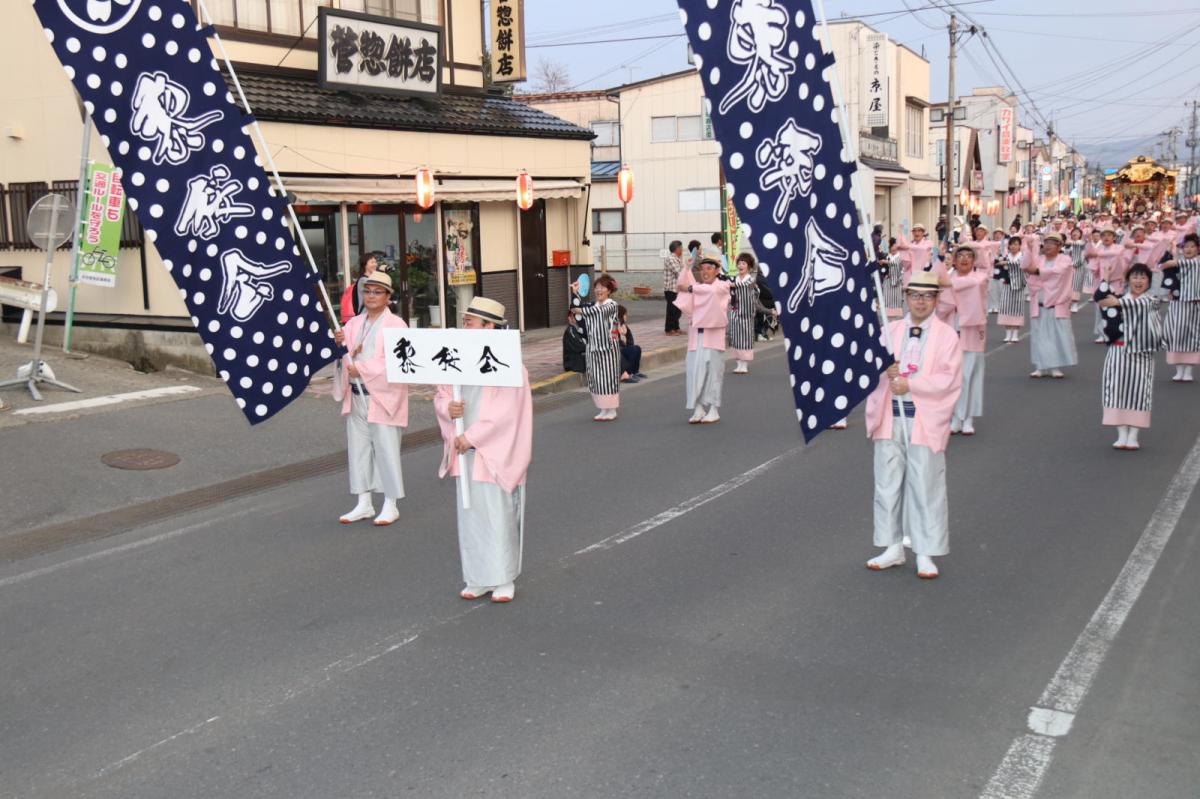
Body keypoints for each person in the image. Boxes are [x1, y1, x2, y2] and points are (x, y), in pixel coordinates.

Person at [864, 271, 963, 580]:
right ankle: (892, 546)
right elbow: (868, 368)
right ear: (906, 297)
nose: (921, 302)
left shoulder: (947, 336)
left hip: (923, 419)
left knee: (925, 484)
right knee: (887, 484)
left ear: (936, 299)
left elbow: (949, 380)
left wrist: (913, 385)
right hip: (889, 417)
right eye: (916, 295)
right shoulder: (890, 330)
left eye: (928, 296)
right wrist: (883, 369)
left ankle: (925, 551)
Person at [434, 297, 533, 603]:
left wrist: (472, 436)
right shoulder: (457, 356)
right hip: (464, 450)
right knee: (470, 516)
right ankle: (476, 576)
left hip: (494, 453)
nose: (464, 326)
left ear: (489, 326)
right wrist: (447, 409)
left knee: (498, 515)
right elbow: (442, 393)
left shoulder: (510, 364)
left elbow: (507, 413)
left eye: (470, 322)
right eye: (464, 321)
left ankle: (503, 577)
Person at [333, 271, 408, 526]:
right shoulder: (354, 323)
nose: (371, 296)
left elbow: (397, 362)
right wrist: (339, 342)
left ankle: (390, 503)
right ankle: (363, 502)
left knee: (386, 449)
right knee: (359, 449)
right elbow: (344, 353)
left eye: (377, 292)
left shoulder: (397, 325)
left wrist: (362, 369)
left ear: (388, 297)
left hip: (383, 397)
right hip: (356, 395)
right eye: (367, 291)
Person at [1096, 264, 1163, 451]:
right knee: (1115, 390)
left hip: (1142, 353)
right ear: (1128, 280)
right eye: (1135, 277)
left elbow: (1139, 305)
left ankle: (1133, 435)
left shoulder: (1152, 301)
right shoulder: (1120, 298)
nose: (1138, 281)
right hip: (1118, 351)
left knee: (1139, 393)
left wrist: (1116, 303)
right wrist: (1106, 276)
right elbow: (1101, 298)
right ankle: (1121, 434)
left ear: (1149, 281)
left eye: (1143, 277)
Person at [675, 254, 731, 424]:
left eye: (709, 268)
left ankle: (714, 409)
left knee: (713, 373)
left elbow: (710, 292)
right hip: (695, 337)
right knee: (694, 373)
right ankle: (698, 408)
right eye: (702, 268)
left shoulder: (722, 286)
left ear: (717, 271)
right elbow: (682, 286)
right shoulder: (698, 287)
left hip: (713, 338)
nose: (705, 272)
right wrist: (686, 268)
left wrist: (690, 288)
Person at [941, 246, 989, 435]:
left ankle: (968, 418)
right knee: (951, 377)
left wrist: (945, 284)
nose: (964, 259)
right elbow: (941, 305)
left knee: (970, 375)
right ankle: (954, 417)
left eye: (969, 256)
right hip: (951, 331)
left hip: (972, 332)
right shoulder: (947, 278)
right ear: (953, 260)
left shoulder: (980, 278)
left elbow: (970, 285)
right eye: (960, 255)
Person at [1023, 231, 1077, 379]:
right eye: (1046, 243)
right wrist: (1029, 248)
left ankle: (1054, 366)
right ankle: (1040, 366)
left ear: (1059, 246)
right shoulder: (1039, 259)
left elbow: (1058, 272)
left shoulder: (1065, 260)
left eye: (1052, 243)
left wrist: (1038, 272)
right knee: (1039, 336)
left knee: (1055, 336)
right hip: (1039, 302)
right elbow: (1026, 266)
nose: (1048, 246)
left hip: (1056, 303)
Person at [571, 274, 621, 421]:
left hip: (608, 348)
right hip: (593, 347)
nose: (599, 290)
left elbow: (595, 312)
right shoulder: (593, 305)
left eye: (602, 287)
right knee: (596, 378)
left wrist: (579, 310)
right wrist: (575, 293)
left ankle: (612, 409)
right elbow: (575, 309)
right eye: (597, 287)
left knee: (608, 378)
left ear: (609, 290)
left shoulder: (612, 305)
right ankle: (603, 409)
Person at [1160, 233, 1200, 382]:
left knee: (1192, 336)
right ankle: (1179, 369)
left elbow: (1171, 264)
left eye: (1192, 246)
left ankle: (1188, 369)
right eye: (1186, 247)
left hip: (1194, 304)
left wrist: (1173, 260)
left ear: (1197, 249)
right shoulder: (1178, 262)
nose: (1188, 249)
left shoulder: (1196, 262)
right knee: (1174, 334)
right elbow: (1162, 265)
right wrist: (1169, 250)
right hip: (1177, 303)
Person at [1086, 227, 1129, 343]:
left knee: (1116, 308)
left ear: (1114, 237)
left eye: (1109, 235)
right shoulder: (1098, 249)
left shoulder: (1118, 248)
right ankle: (1102, 333)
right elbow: (1092, 264)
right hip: (1101, 282)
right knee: (1100, 309)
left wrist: (1097, 254)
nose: (1106, 237)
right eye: (1104, 235)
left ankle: (1116, 332)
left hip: (1116, 282)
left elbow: (1118, 255)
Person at [728, 252, 759, 374]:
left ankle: (744, 364)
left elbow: (744, 286)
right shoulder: (734, 278)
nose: (740, 266)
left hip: (746, 313)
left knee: (745, 338)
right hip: (735, 311)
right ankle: (738, 363)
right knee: (735, 337)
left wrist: (732, 285)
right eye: (739, 263)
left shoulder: (750, 280)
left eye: (743, 263)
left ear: (749, 266)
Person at [994, 235, 1026, 343]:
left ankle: (1015, 333)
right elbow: (996, 263)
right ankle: (1008, 333)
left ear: (1020, 246)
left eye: (1016, 244)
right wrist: (999, 256)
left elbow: (1022, 265)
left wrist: (1007, 263)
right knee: (1006, 308)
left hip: (1019, 285)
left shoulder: (1022, 256)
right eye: (1011, 244)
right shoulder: (1006, 256)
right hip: (1007, 284)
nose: (1013, 246)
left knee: (1017, 308)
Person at [340, 252, 379, 323]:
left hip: (371, 317)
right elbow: (377, 292)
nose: (375, 264)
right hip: (365, 317)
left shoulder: (370, 279)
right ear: (365, 265)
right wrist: (382, 273)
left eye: (375, 262)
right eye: (372, 262)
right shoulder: (363, 280)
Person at [616, 304, 644, 383]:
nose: (626, 316)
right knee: (633, 350)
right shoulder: (615, 325)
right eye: (625, 314)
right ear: (621, 315)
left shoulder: (624, 326)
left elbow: (630, 340)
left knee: (637, 348)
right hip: (617, 349)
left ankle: (635, 372)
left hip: (623, 347)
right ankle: (628, 373)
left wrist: (628, 346)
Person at [662, 240, 685, 336]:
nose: (682, 250)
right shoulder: (671, 258)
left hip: (677, 288)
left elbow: (684, 270)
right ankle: (669, 329)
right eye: (681, 248)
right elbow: (679, 272)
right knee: (672, 309)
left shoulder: (678, 258)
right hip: (671, 288)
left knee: (677, 309)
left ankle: (676, 327)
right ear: (677, 249)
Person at [1065, 227, 1088, 313]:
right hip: (1068, 267)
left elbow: (1083, 256)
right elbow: (1065, 254)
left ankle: (1075, 303)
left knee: (1076, 285)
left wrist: (1076, 264)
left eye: (1077, 232)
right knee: (1067, 285)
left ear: (1080, 235)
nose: (1075, 233)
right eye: (1073, 232)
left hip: (1078, 267)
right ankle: (1068, 303)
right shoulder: (1069, 244)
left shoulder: (1081, 243)